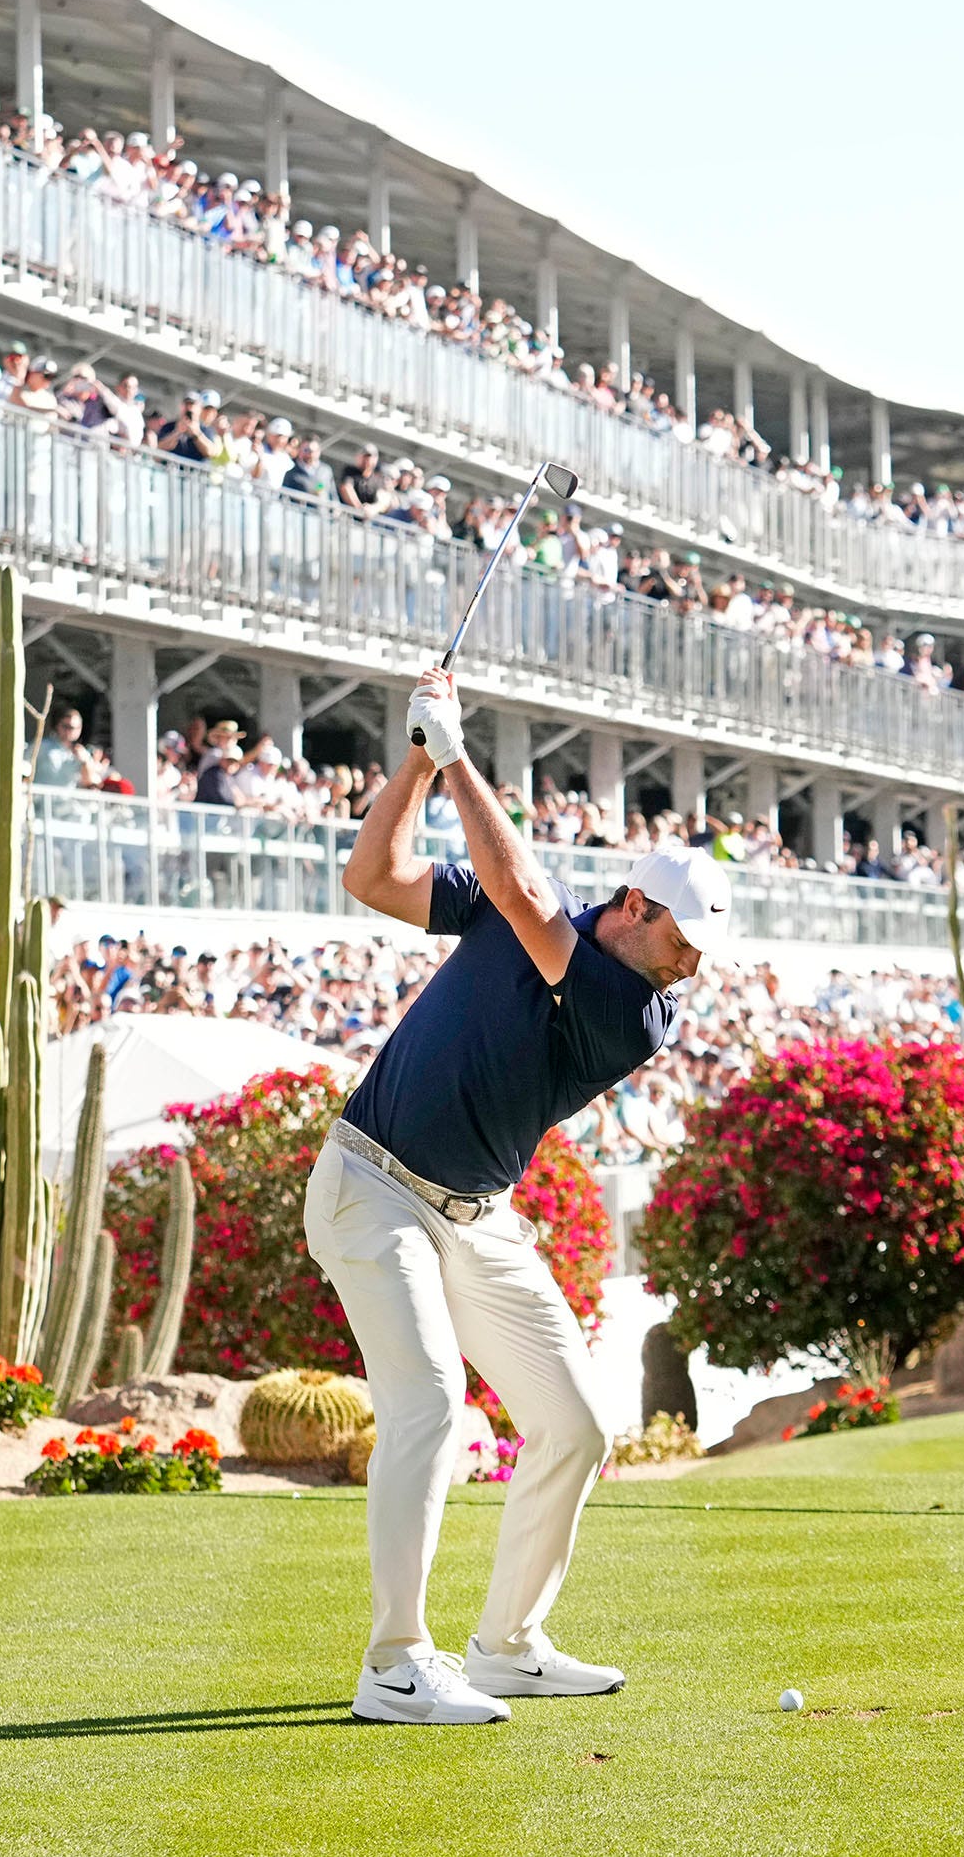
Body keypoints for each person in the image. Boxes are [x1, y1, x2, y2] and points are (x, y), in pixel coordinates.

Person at [316, 666, 727, 1725]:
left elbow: (526, 896)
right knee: (431, 1406)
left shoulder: (637, 1013)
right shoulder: (518, 911)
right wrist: (418, 758)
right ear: (634, 905)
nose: (689, 966)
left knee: (576, 1425)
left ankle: (505, 1645)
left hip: (477, 1218)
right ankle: (395, 1663)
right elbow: (375, 874)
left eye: (701, 953)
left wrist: (454, 752)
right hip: (373, 1185)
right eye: (681, 940)